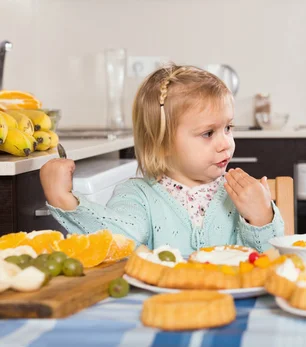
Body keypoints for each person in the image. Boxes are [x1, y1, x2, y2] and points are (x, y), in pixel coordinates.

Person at [40, 64, 284, 254]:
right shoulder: (137, 195)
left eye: (228, 128)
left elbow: (270, 262)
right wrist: (64, 200)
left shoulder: (239, 196)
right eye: (208, 133)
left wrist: (262, 217)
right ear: (161, 143)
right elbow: (117, 241)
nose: (226, 143)